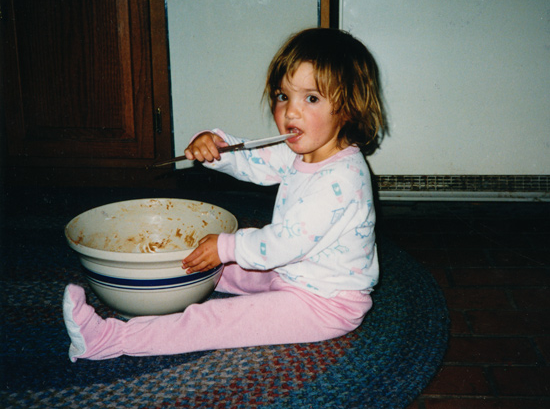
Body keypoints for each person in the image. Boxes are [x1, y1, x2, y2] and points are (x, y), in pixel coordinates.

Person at [63, 28, 385, 362]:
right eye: (282, 96)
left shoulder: (343, 179)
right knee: (202, 266)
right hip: (292, 272)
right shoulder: (302, 151)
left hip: (325, 303)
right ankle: (149, 289)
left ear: (349, 108)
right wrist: (217, 147)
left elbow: (283, 243)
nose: (290, 112)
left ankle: (106, 339)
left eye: (311, 98)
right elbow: (256, 163)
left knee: (215, 319)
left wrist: (226, 247)